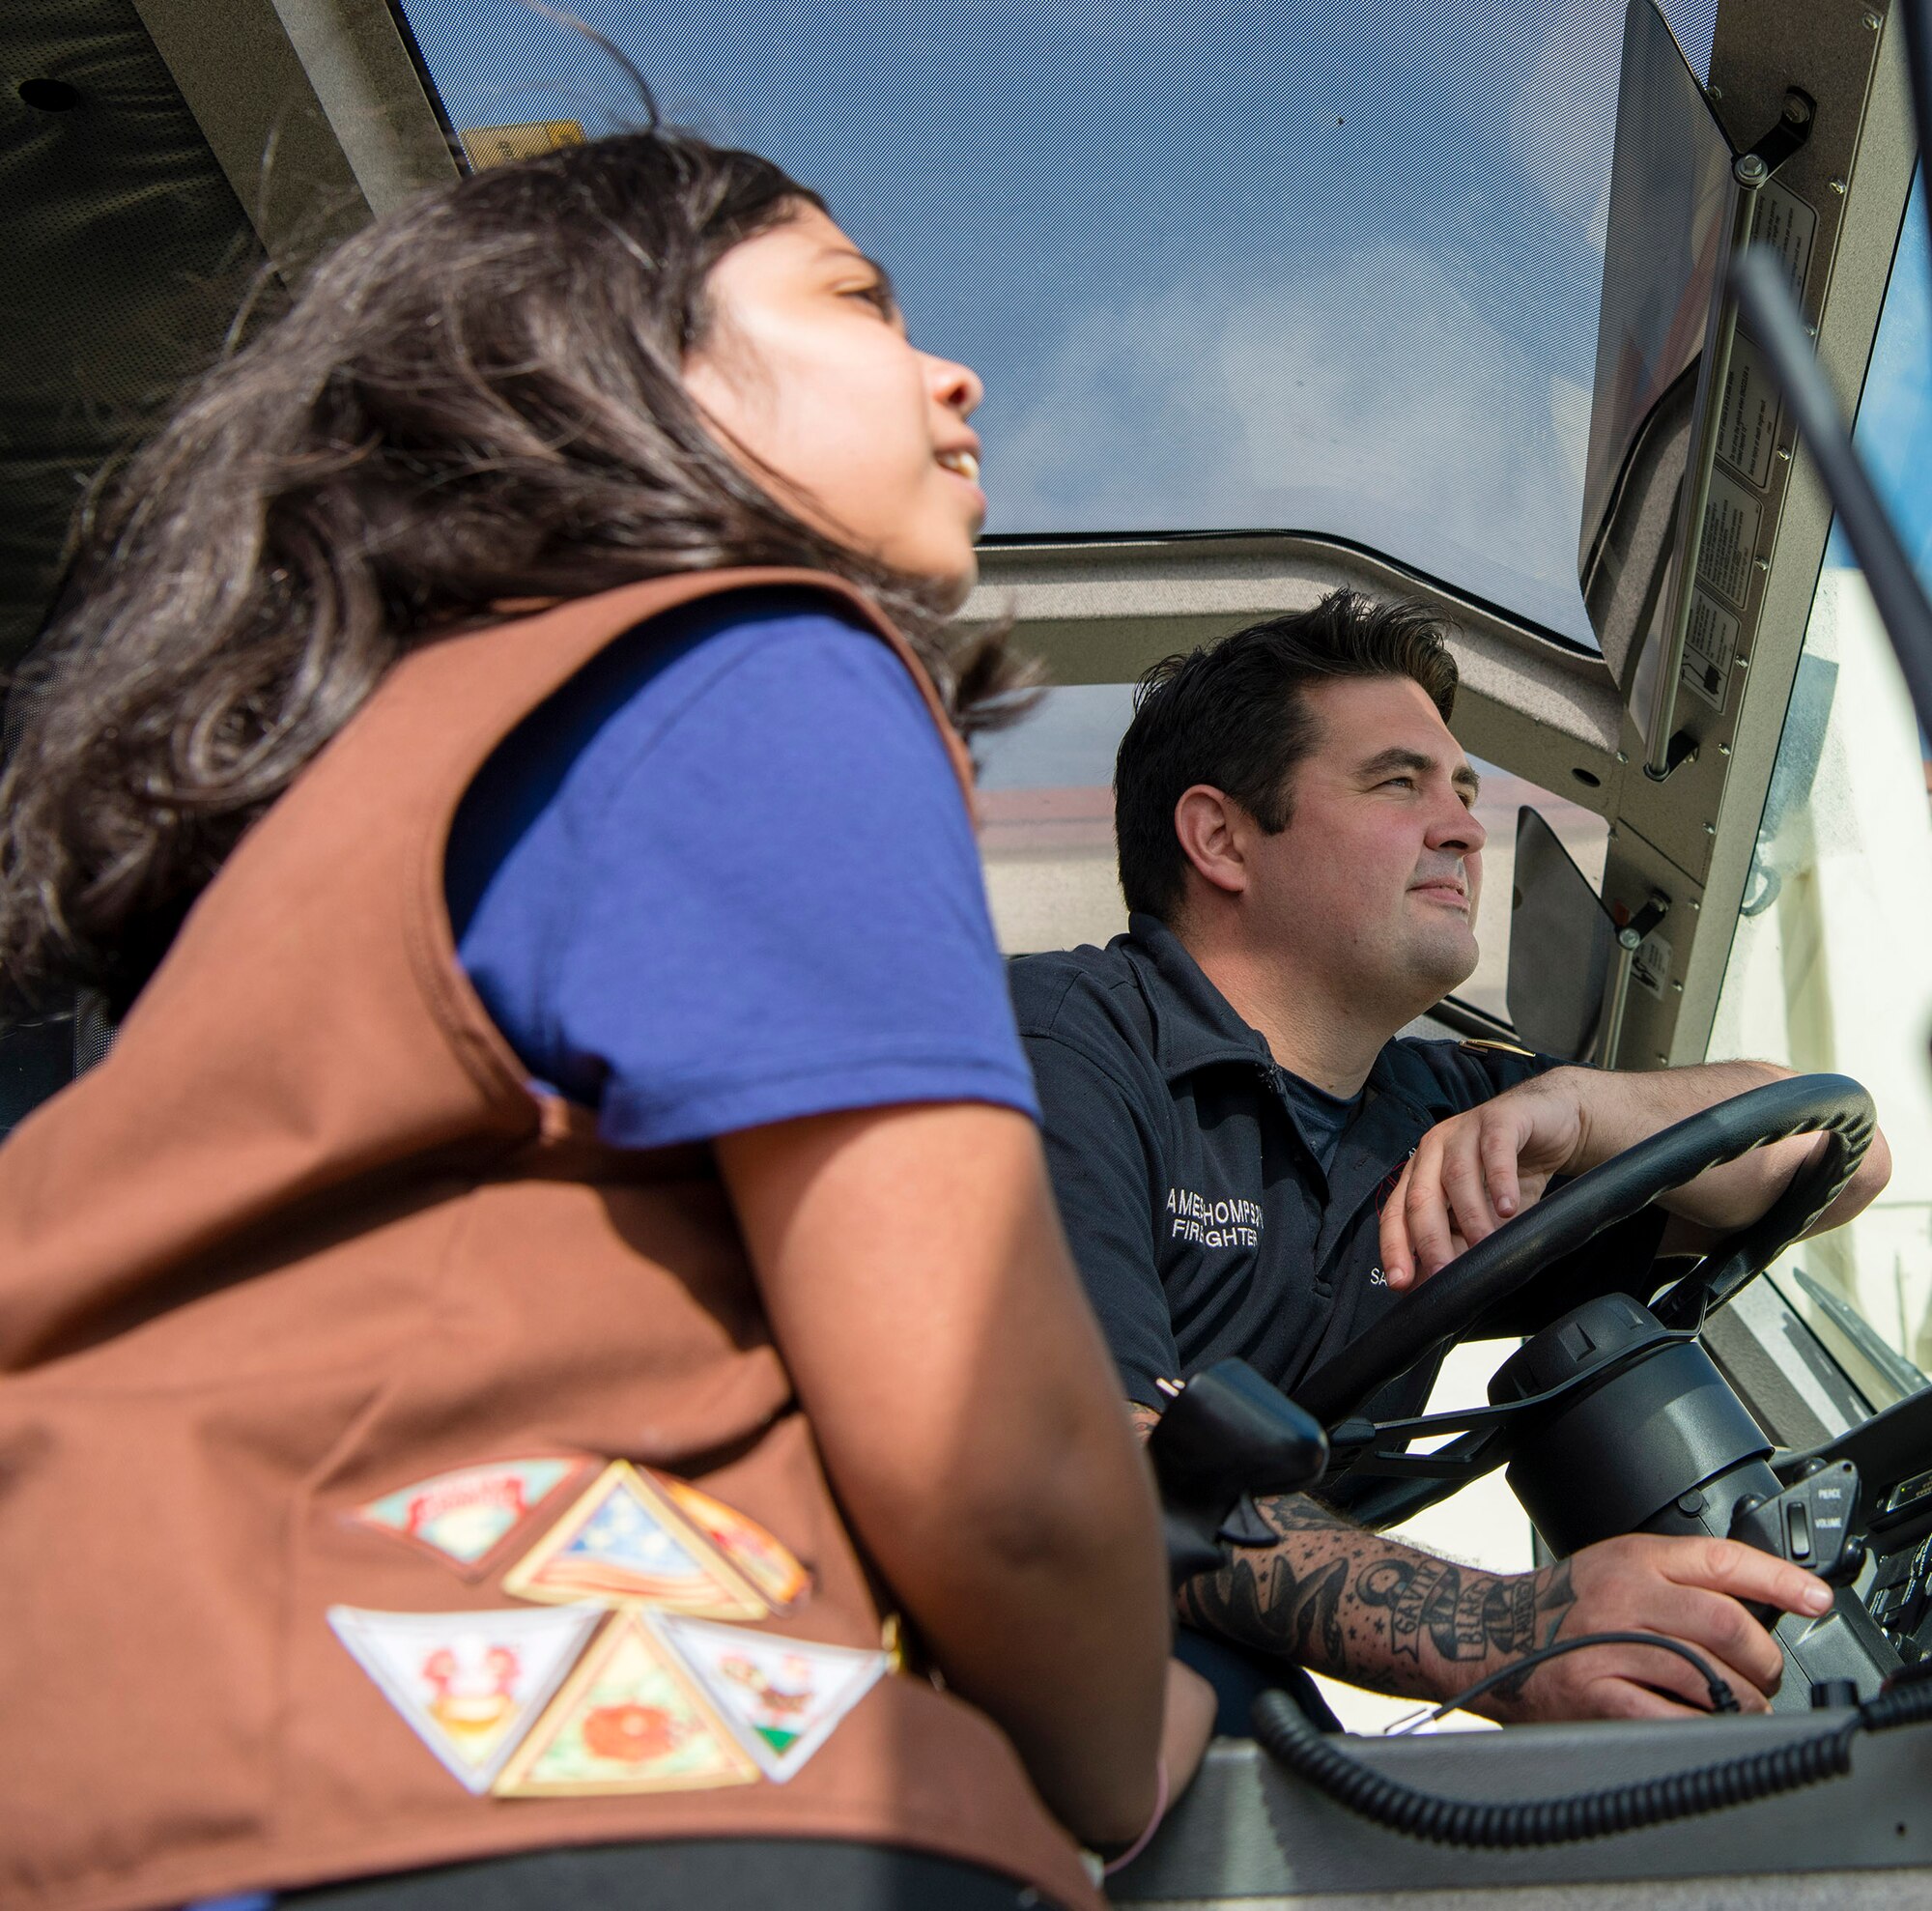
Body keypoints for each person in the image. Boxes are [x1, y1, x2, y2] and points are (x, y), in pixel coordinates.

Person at [0, 108, 1211, 1911]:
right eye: (859, 298)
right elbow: (1001, 1460)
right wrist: (1134, 1735)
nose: (954, 375)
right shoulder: (758, 659)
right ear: (622, 354)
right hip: (446, 1781)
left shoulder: (387, 764)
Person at [1009, 593, 1891, 1728]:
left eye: (1464, 790)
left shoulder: (1442, 1106)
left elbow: (1835, 1160)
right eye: (1397, 783)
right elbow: (1091, 1471)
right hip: (1024, 1676)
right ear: (1221, 838)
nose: (1465, 828)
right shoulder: (1061, 1044)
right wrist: (1511, 1628)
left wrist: (1580, 1104)